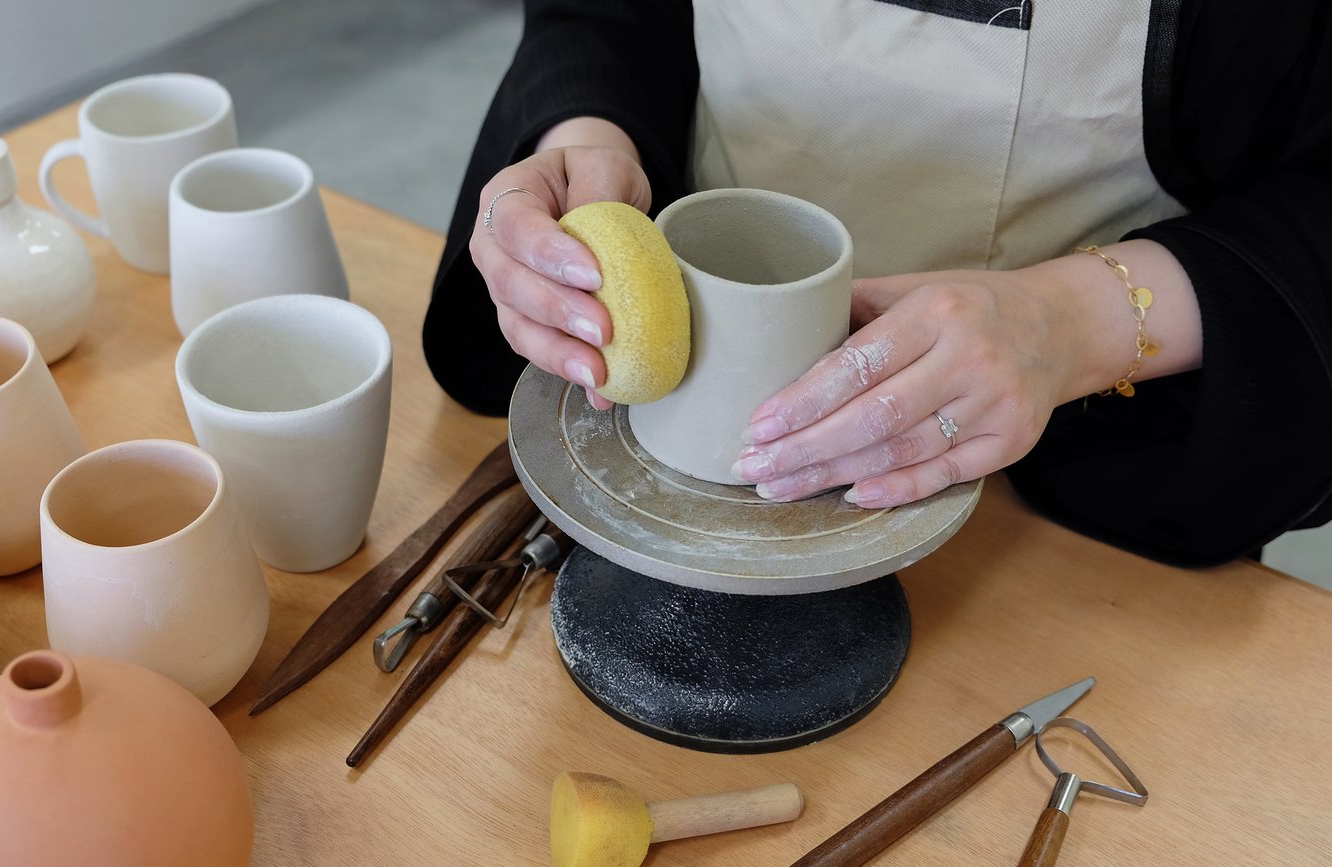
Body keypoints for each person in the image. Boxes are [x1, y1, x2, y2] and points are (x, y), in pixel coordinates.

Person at [423, 0, 1332, 566]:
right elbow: (608, 16)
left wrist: (1071, 324)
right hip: (693, 455)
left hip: (1083, 484)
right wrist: (583, 143)